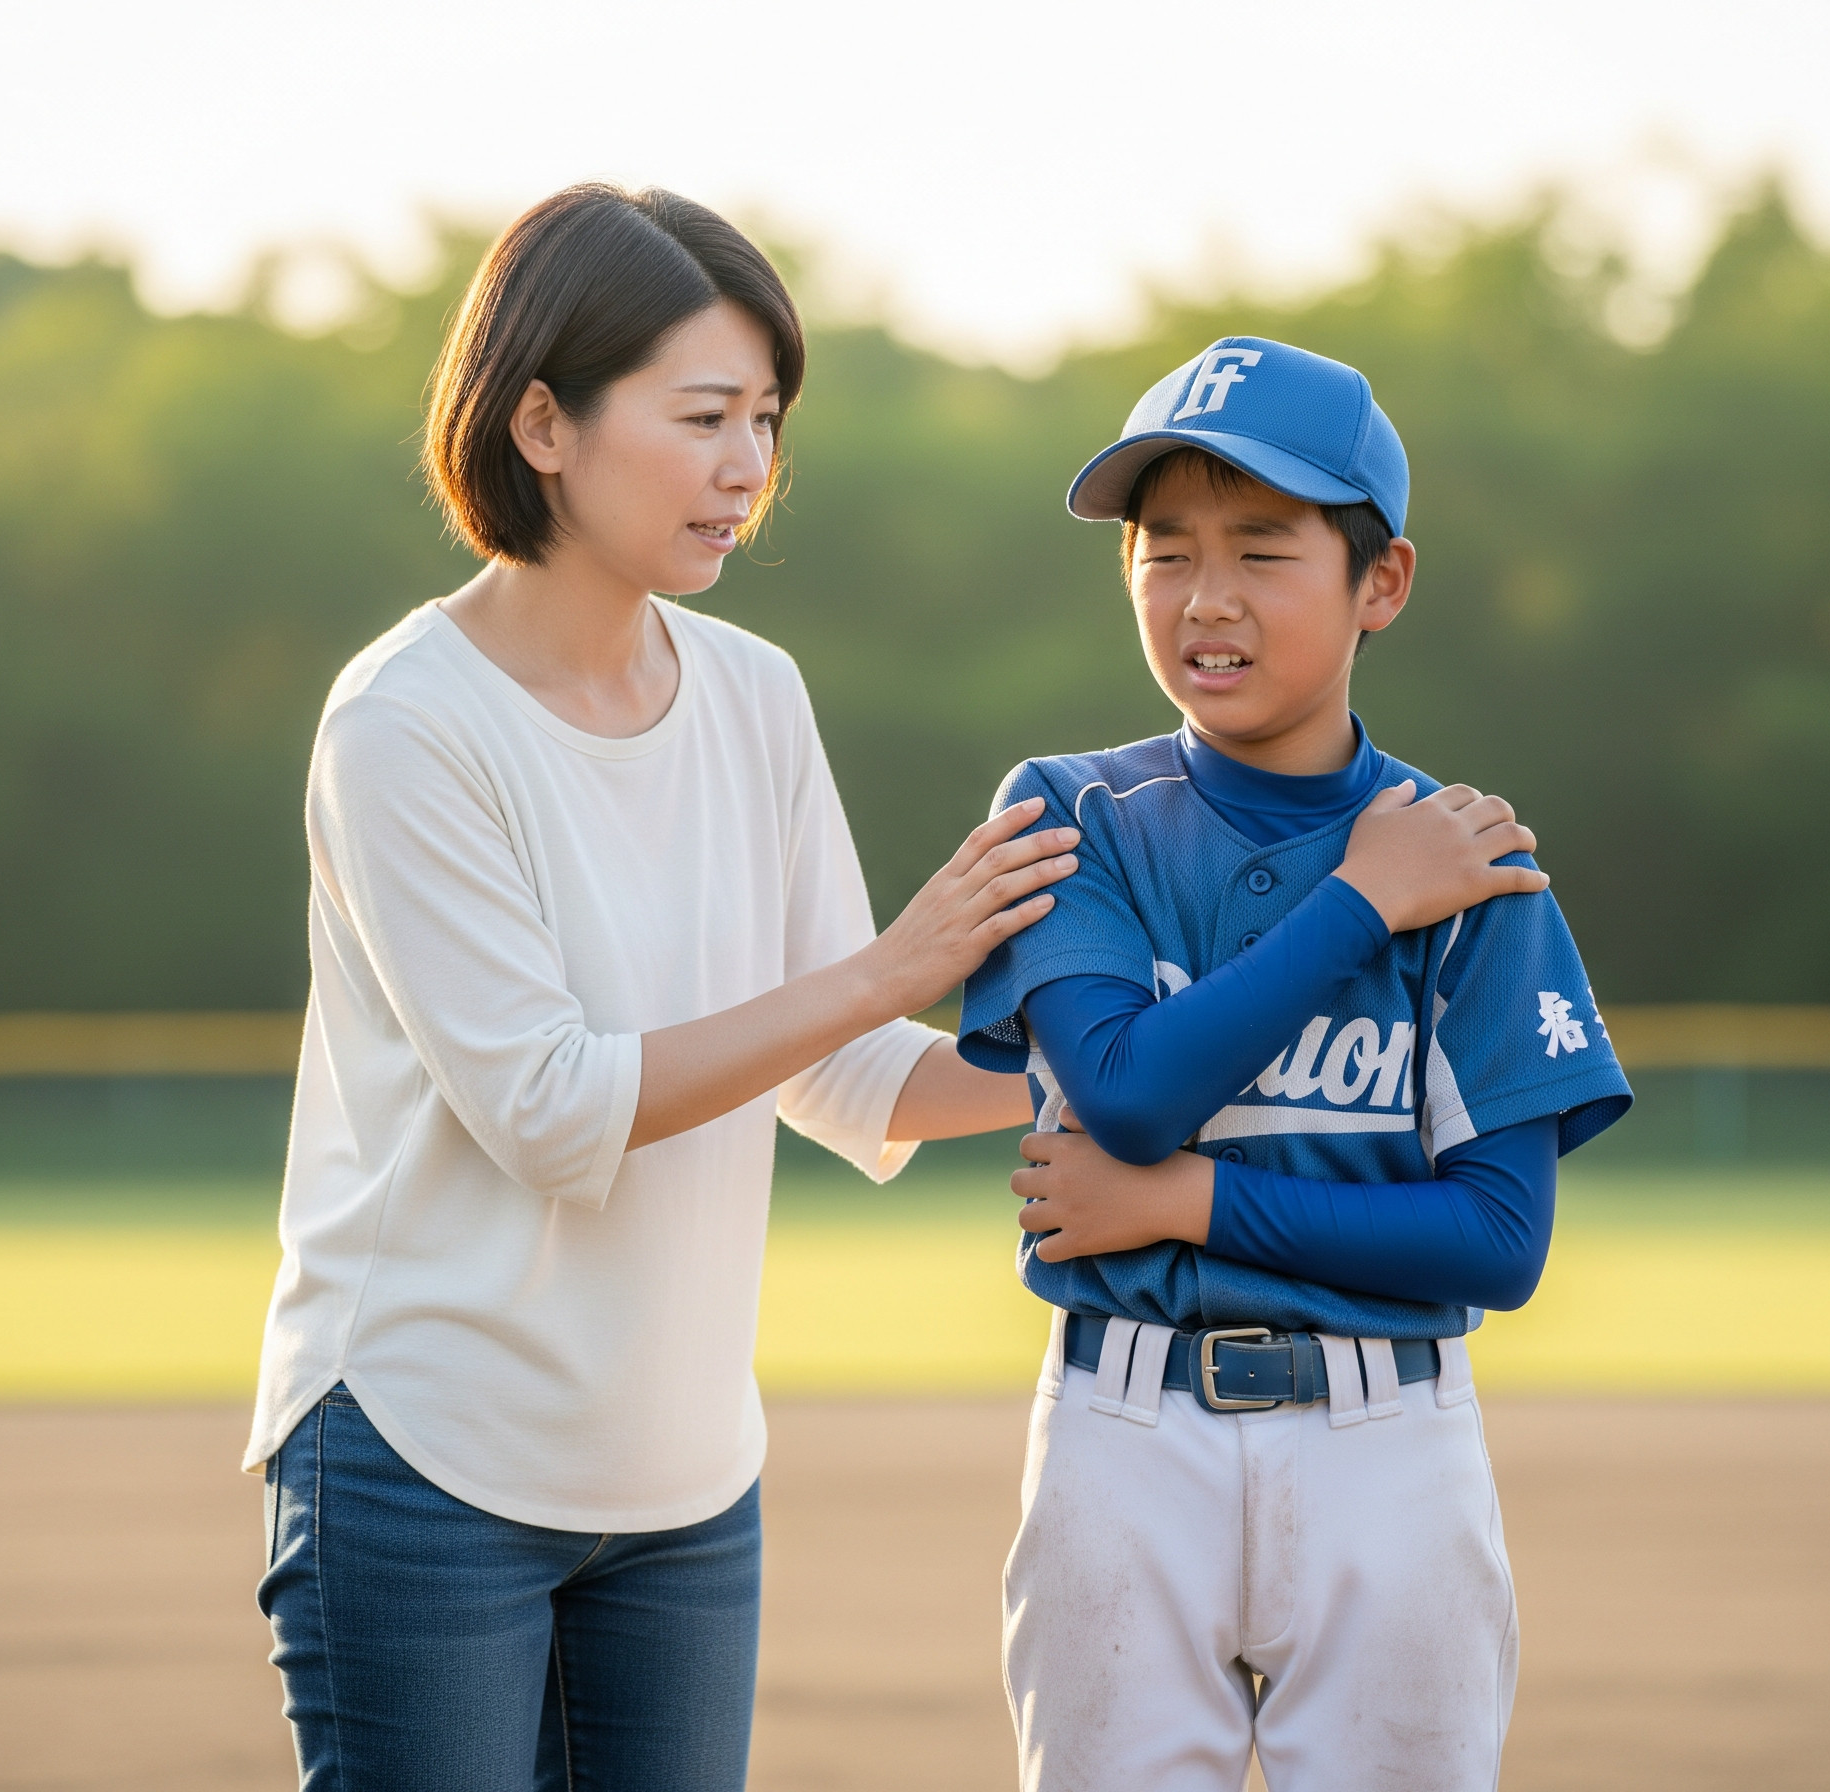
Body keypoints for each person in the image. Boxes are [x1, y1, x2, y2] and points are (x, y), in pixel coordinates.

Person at [242, 184, 1086, 1791]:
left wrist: (1131, 1060)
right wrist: (886, 970)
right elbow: (550, 1110)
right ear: (542, 424)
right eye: (703, 417)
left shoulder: (757, 696)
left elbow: (845, 1069)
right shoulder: (407, 723)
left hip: (686, 1485)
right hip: (426, 1462)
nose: (747, 467)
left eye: (765, 420)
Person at [957, 338, 1634, 1790]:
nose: (1206, 597)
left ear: (1381, 582)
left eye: (1263, 550)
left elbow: (1499, 1243)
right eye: (1165, 551)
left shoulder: (1469, 864)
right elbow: (1129, 1091)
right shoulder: (1075, 813)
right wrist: (1360, 903)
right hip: (1123, 1433)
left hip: (1391, 1447)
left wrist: (1180, 1206)